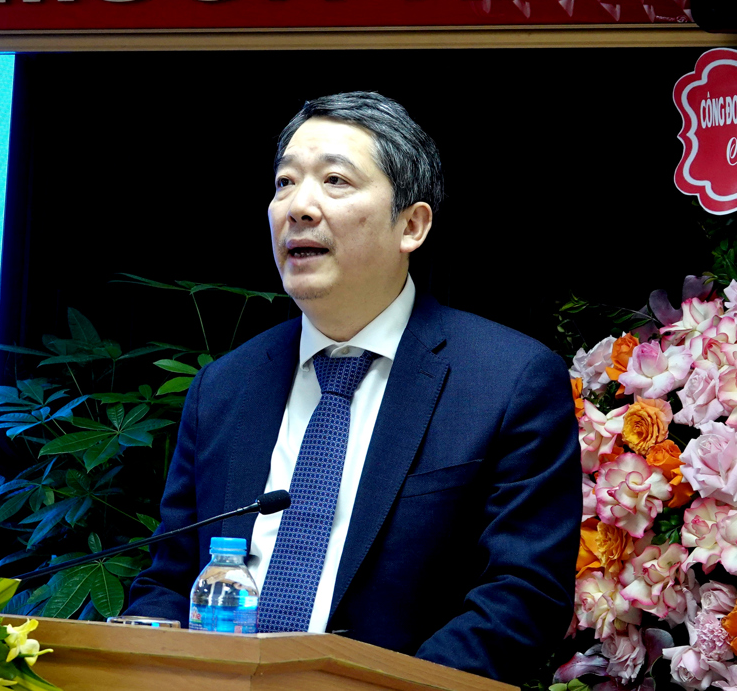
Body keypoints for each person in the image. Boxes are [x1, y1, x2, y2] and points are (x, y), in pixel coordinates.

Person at [127, 91, 580, 684]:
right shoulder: (225, 387)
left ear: (412, 225)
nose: (299, 206)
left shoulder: (508, 380)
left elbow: (521, 597)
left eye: (335, 181)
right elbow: (169, 578)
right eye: (285, 182)